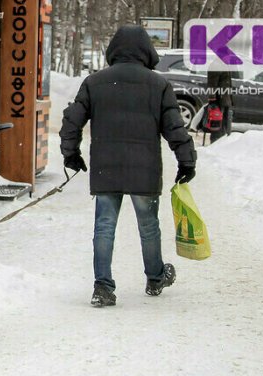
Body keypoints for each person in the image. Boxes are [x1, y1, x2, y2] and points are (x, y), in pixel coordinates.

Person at [59, 25, 197, 307]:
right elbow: (174, 127)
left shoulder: (94, 82)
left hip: (105, 167)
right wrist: (186, 161)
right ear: (147, 50)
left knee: (104, 227)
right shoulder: (158, 85)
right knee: (149, 226)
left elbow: (72, 121)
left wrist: (70, 154)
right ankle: (156, 277)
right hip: (144, 168)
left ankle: (103, 286)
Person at [207, 65, 234, 143]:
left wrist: (231, 101)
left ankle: (222, 144)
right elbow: (212, 84)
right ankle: (215, 144)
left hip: (225, 100)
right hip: (219, 101)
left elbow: (228, 85)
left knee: (224, 126)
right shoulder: (216, 65)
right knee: (217, 126)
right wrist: (212, 101)